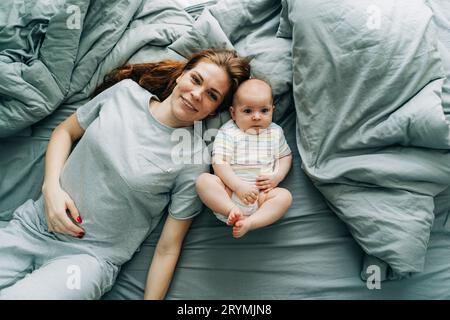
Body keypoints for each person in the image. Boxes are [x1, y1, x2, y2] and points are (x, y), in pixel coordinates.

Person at [0, 49, 250, 300]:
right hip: (32, 226)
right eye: (196, 80)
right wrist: (51, 188)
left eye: (211, 95)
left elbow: (168, 247)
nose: (196, 94)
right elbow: (65, 132)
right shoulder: (124, 93)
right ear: (181, 75)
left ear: (214, 111)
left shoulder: (194, 159)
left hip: (84, 259)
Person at [196, 79, 293, 238]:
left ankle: (250, 222)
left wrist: (277, 177)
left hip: (261, 195)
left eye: (264, 110)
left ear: (272, 111)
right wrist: (238, 187)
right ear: (233, 113)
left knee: (284, 197)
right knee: (204, 181)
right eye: (247, 111)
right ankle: (231, 210)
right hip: (229, 192)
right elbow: (219, 162)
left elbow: (285, 156)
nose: (256, 117)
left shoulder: (275, 132)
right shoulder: (229, 132)